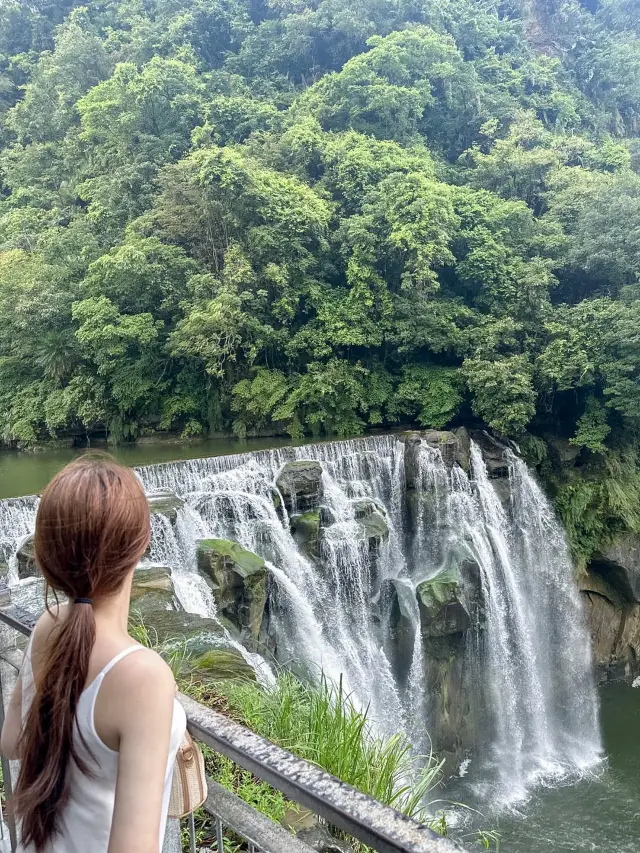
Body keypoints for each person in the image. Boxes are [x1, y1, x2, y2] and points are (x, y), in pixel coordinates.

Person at [0, 454, 186, 853]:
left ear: (50, 559)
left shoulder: (48, 626)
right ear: (141, 545)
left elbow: (12, 741)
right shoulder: (143, 677)